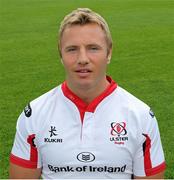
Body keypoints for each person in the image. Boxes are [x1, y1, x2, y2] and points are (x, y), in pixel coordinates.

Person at [9, 8, 166, 179]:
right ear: (60, 54)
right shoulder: (34, 114)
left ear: (109, 53)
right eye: (72, 49)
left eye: (93, 48)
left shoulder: (141, 116)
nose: (82, 59)